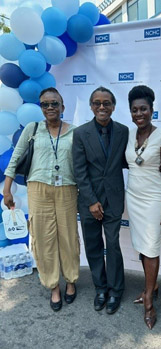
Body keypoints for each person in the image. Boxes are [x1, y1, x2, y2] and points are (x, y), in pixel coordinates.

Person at [4, 87, 80, 311]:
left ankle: (71, 281)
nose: (50, 108)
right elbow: (16, 158)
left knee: (68, 237)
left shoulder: (75, 132)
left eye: (54, 103)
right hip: (38, 190)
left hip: (66, 189)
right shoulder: (32, 129)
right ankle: (53, 285)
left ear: (62, 107)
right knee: (44, 239)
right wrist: (7, 189)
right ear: (40, 108)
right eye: (45, 104)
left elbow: (82, 165)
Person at [72, 86, 128, 315]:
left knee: (113, 245)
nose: (102, 107)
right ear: (91, 106)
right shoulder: (80, 133)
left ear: (113, 106)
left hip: (114, 198)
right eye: (97, 103)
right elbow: (79, 170)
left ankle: (116, 290)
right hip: (88, 200)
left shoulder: (124, 131)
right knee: (94, 245)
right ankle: (101, 288)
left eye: (106, 103)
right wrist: (92, 201)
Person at [125, 85, 161, 329]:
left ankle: (149, 304)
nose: (139, 113)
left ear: (152, 110)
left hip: (154, 199)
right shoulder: (130, 135)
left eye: (143, 109)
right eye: (134, 110)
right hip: (133, 197)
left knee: (152, 248)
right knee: (143, 246)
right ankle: (151, 287)